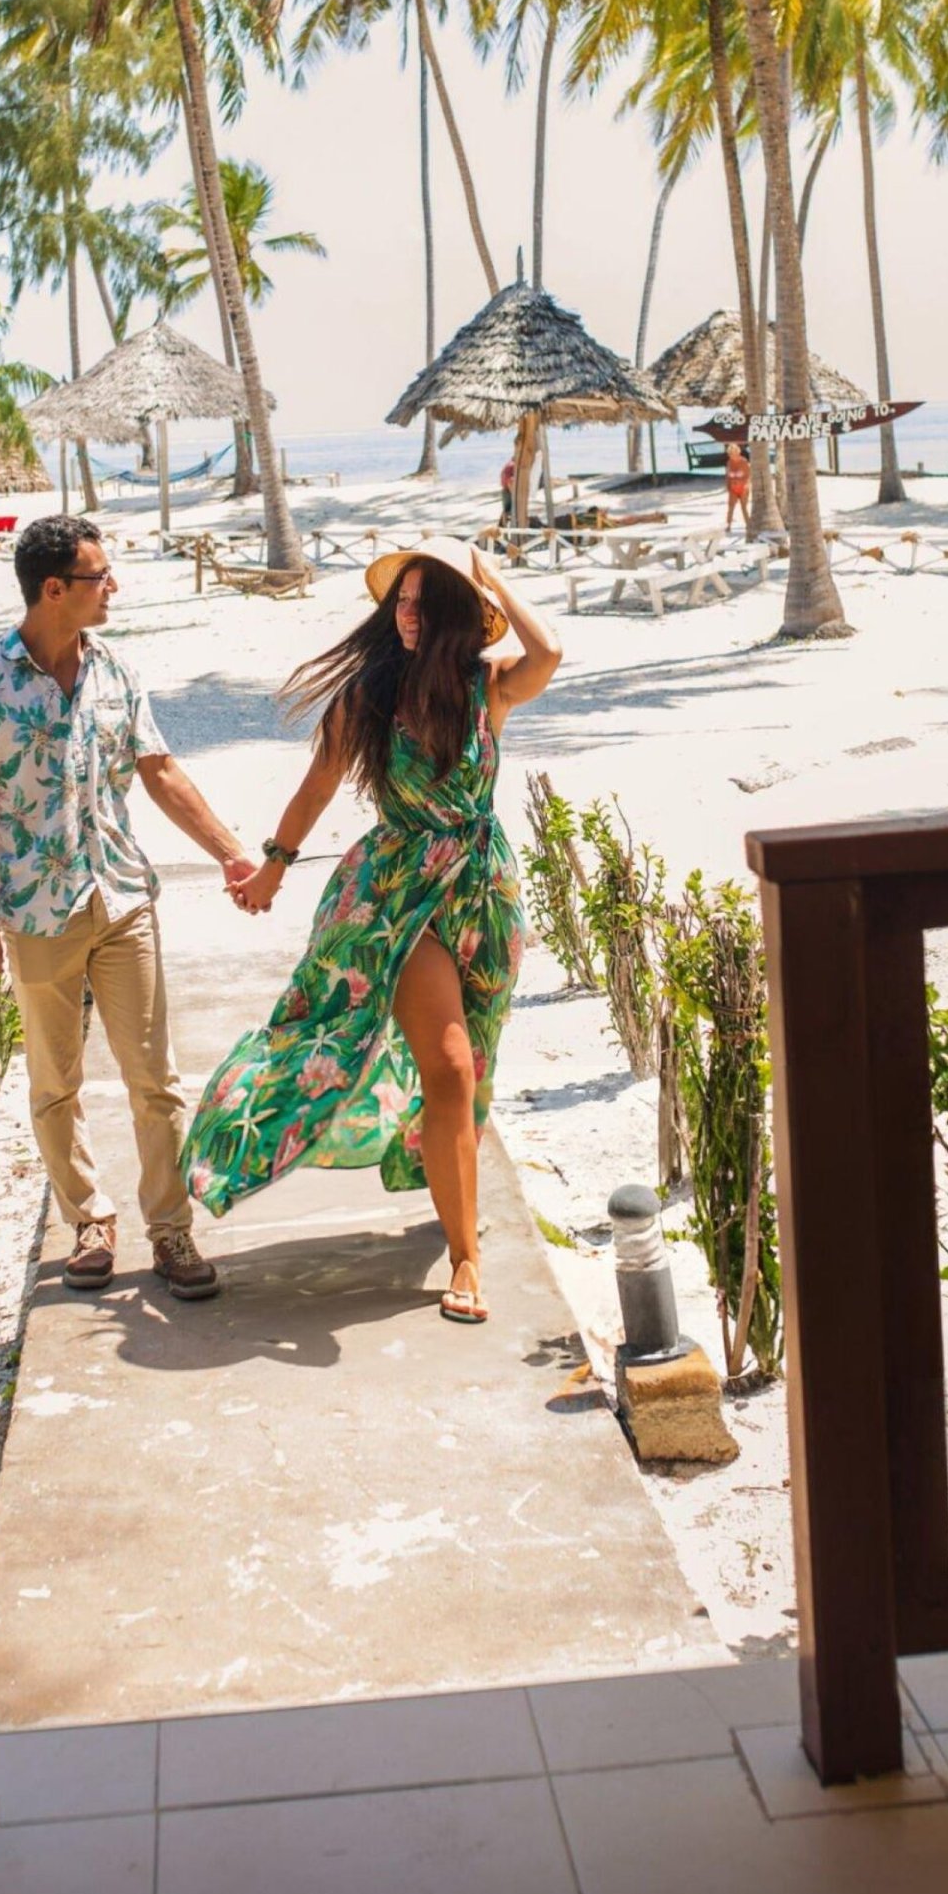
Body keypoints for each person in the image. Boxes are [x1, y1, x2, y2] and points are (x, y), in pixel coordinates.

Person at [181, 536, 560, 1324]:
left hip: (482, 891)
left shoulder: (486, 686)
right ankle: (466, 1258)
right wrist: (274, 867)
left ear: (456, 613)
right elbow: (317, 785)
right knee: (449, 1067)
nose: (408, 616)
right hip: (394, 896)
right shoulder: (370, 695)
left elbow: (549, 651)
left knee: (473, 1063)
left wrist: (493, 578)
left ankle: (448, 1186)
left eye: (425, 603)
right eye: (402, 603)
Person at [0, 513, 252, 1297]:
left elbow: (161, 771)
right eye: (99, 576)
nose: (114, 586)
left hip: (121, 895)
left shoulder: (116, 671)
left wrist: (231, 852)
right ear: (54, 589)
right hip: (33, 909)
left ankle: (171, 1231)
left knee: (155, 1079)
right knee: (55, 1082)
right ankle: (88, 1218)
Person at [725, 438, 751, 532]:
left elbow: (748, 475)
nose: (732, 455)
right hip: (733, 488)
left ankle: (748, 525)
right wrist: (728, 487)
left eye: (734, 452)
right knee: (731, 507)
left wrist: (746, 485)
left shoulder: (743, 461)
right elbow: (728, 476)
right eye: (730, 453)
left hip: (743, 488)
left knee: (744, 507)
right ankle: (728, 525)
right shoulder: (729, 463)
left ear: (738, 452)